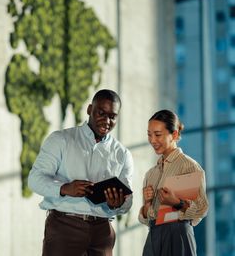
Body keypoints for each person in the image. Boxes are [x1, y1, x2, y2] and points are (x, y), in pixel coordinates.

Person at [28, 89, 133, 256]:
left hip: (103, 232)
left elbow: (128, 202)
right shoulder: (61, 139)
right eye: (101, 113)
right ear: (89, 109)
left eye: (112, 116)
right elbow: (34, 179)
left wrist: (118, 203)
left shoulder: (122, 153)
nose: (106, 120)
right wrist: (64, 188)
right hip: (64, 227)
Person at [139, 109, 209, 256]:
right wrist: (146, 205)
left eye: (158, 135)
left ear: (175, 135)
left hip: (179, 236)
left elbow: (202, 209)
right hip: (153, 236)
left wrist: (176, 202)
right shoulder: (150, 174)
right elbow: (147, 219)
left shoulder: (189, 166)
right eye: (149, 135)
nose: (152, 140)